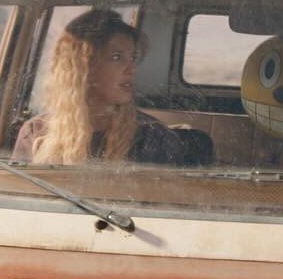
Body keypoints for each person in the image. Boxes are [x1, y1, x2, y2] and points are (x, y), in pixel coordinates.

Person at [13, 9, 183, 165]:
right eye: (117, 57)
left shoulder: (153, 137)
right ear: (84, 67)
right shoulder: (36, 132)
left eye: (133, 58)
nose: (131, 69)